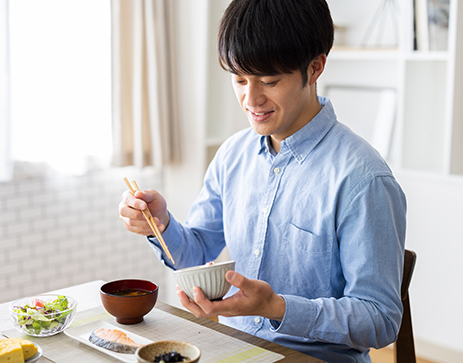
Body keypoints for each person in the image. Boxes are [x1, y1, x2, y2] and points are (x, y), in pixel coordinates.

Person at [118, 0, 407, 362]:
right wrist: (158, 223)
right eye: (239, 79)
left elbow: (379, 321)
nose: (250, 99)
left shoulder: (363, 178)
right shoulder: (233, 154)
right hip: (233, 348)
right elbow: (194, 253)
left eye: (269, 81)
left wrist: (276, 307)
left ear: (315, 67)